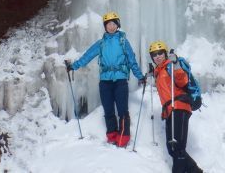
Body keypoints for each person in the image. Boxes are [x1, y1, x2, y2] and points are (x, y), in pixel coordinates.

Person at [65, 11, 146, 147]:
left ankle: (123, 137)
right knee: (108, 110)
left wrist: (140, 76)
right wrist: (74, 66)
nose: (111, 27)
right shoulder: (101, 43)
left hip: (120, 80)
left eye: (113, 24)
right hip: (105, 82)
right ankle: (112, 135)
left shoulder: (123, 42)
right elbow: (87, 56)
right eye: (108, 24)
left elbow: (132, 61)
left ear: (118, 25)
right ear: (105, 26)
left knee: (122, 110)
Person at [150, 40, 203, 173]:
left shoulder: (170, 66)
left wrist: (176, 65)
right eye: (154, 54)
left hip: (179, 107)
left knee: (177, 147)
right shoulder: (160, 70)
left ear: (165, 53)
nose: (157, 56)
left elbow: (182, 80)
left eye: (160, 53)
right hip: (170, 110)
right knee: (173, 148)